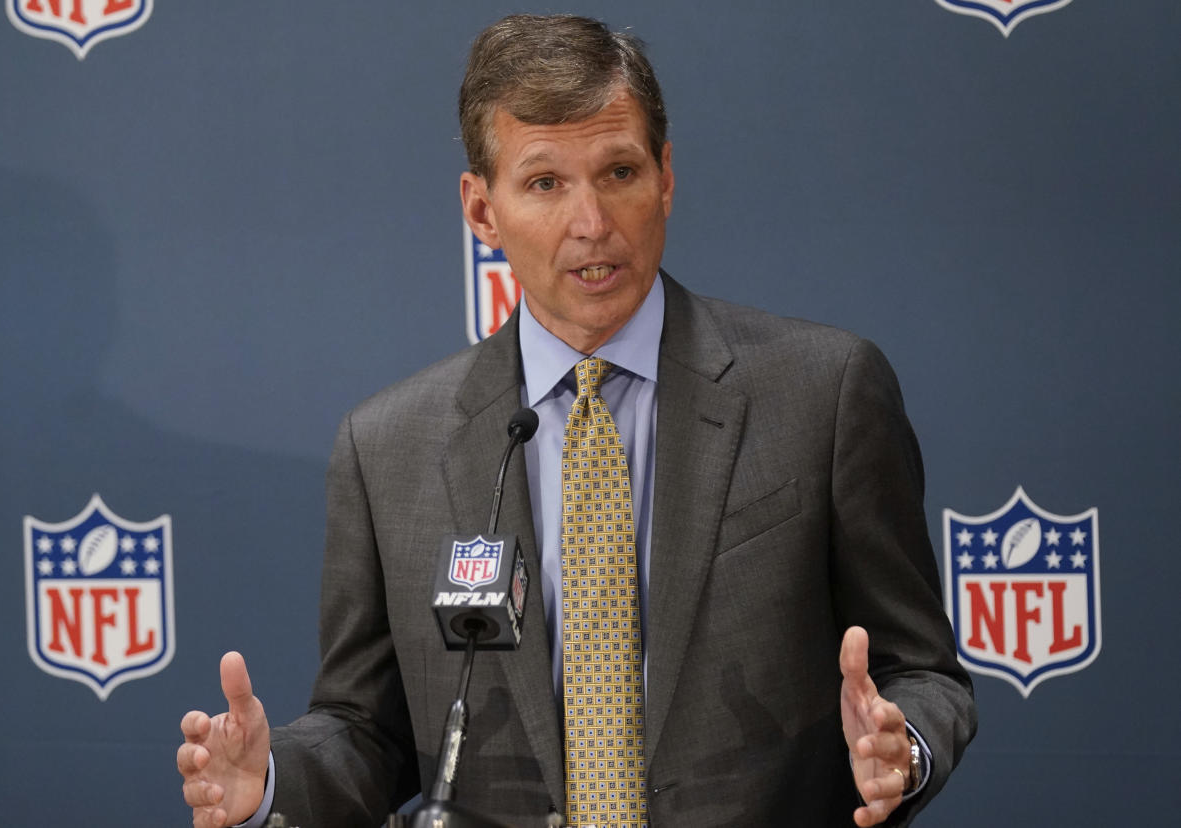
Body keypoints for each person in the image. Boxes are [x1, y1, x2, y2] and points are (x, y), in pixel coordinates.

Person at [177, 14, 976, 828]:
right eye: (546, 183)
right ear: (482, 210)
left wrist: (902, 748)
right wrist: (271, 779)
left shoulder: (824, 393)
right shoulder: (387, 449)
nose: (592, 222)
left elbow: (923, 670)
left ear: (665, 176)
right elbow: (368, 731)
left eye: (619, 171)